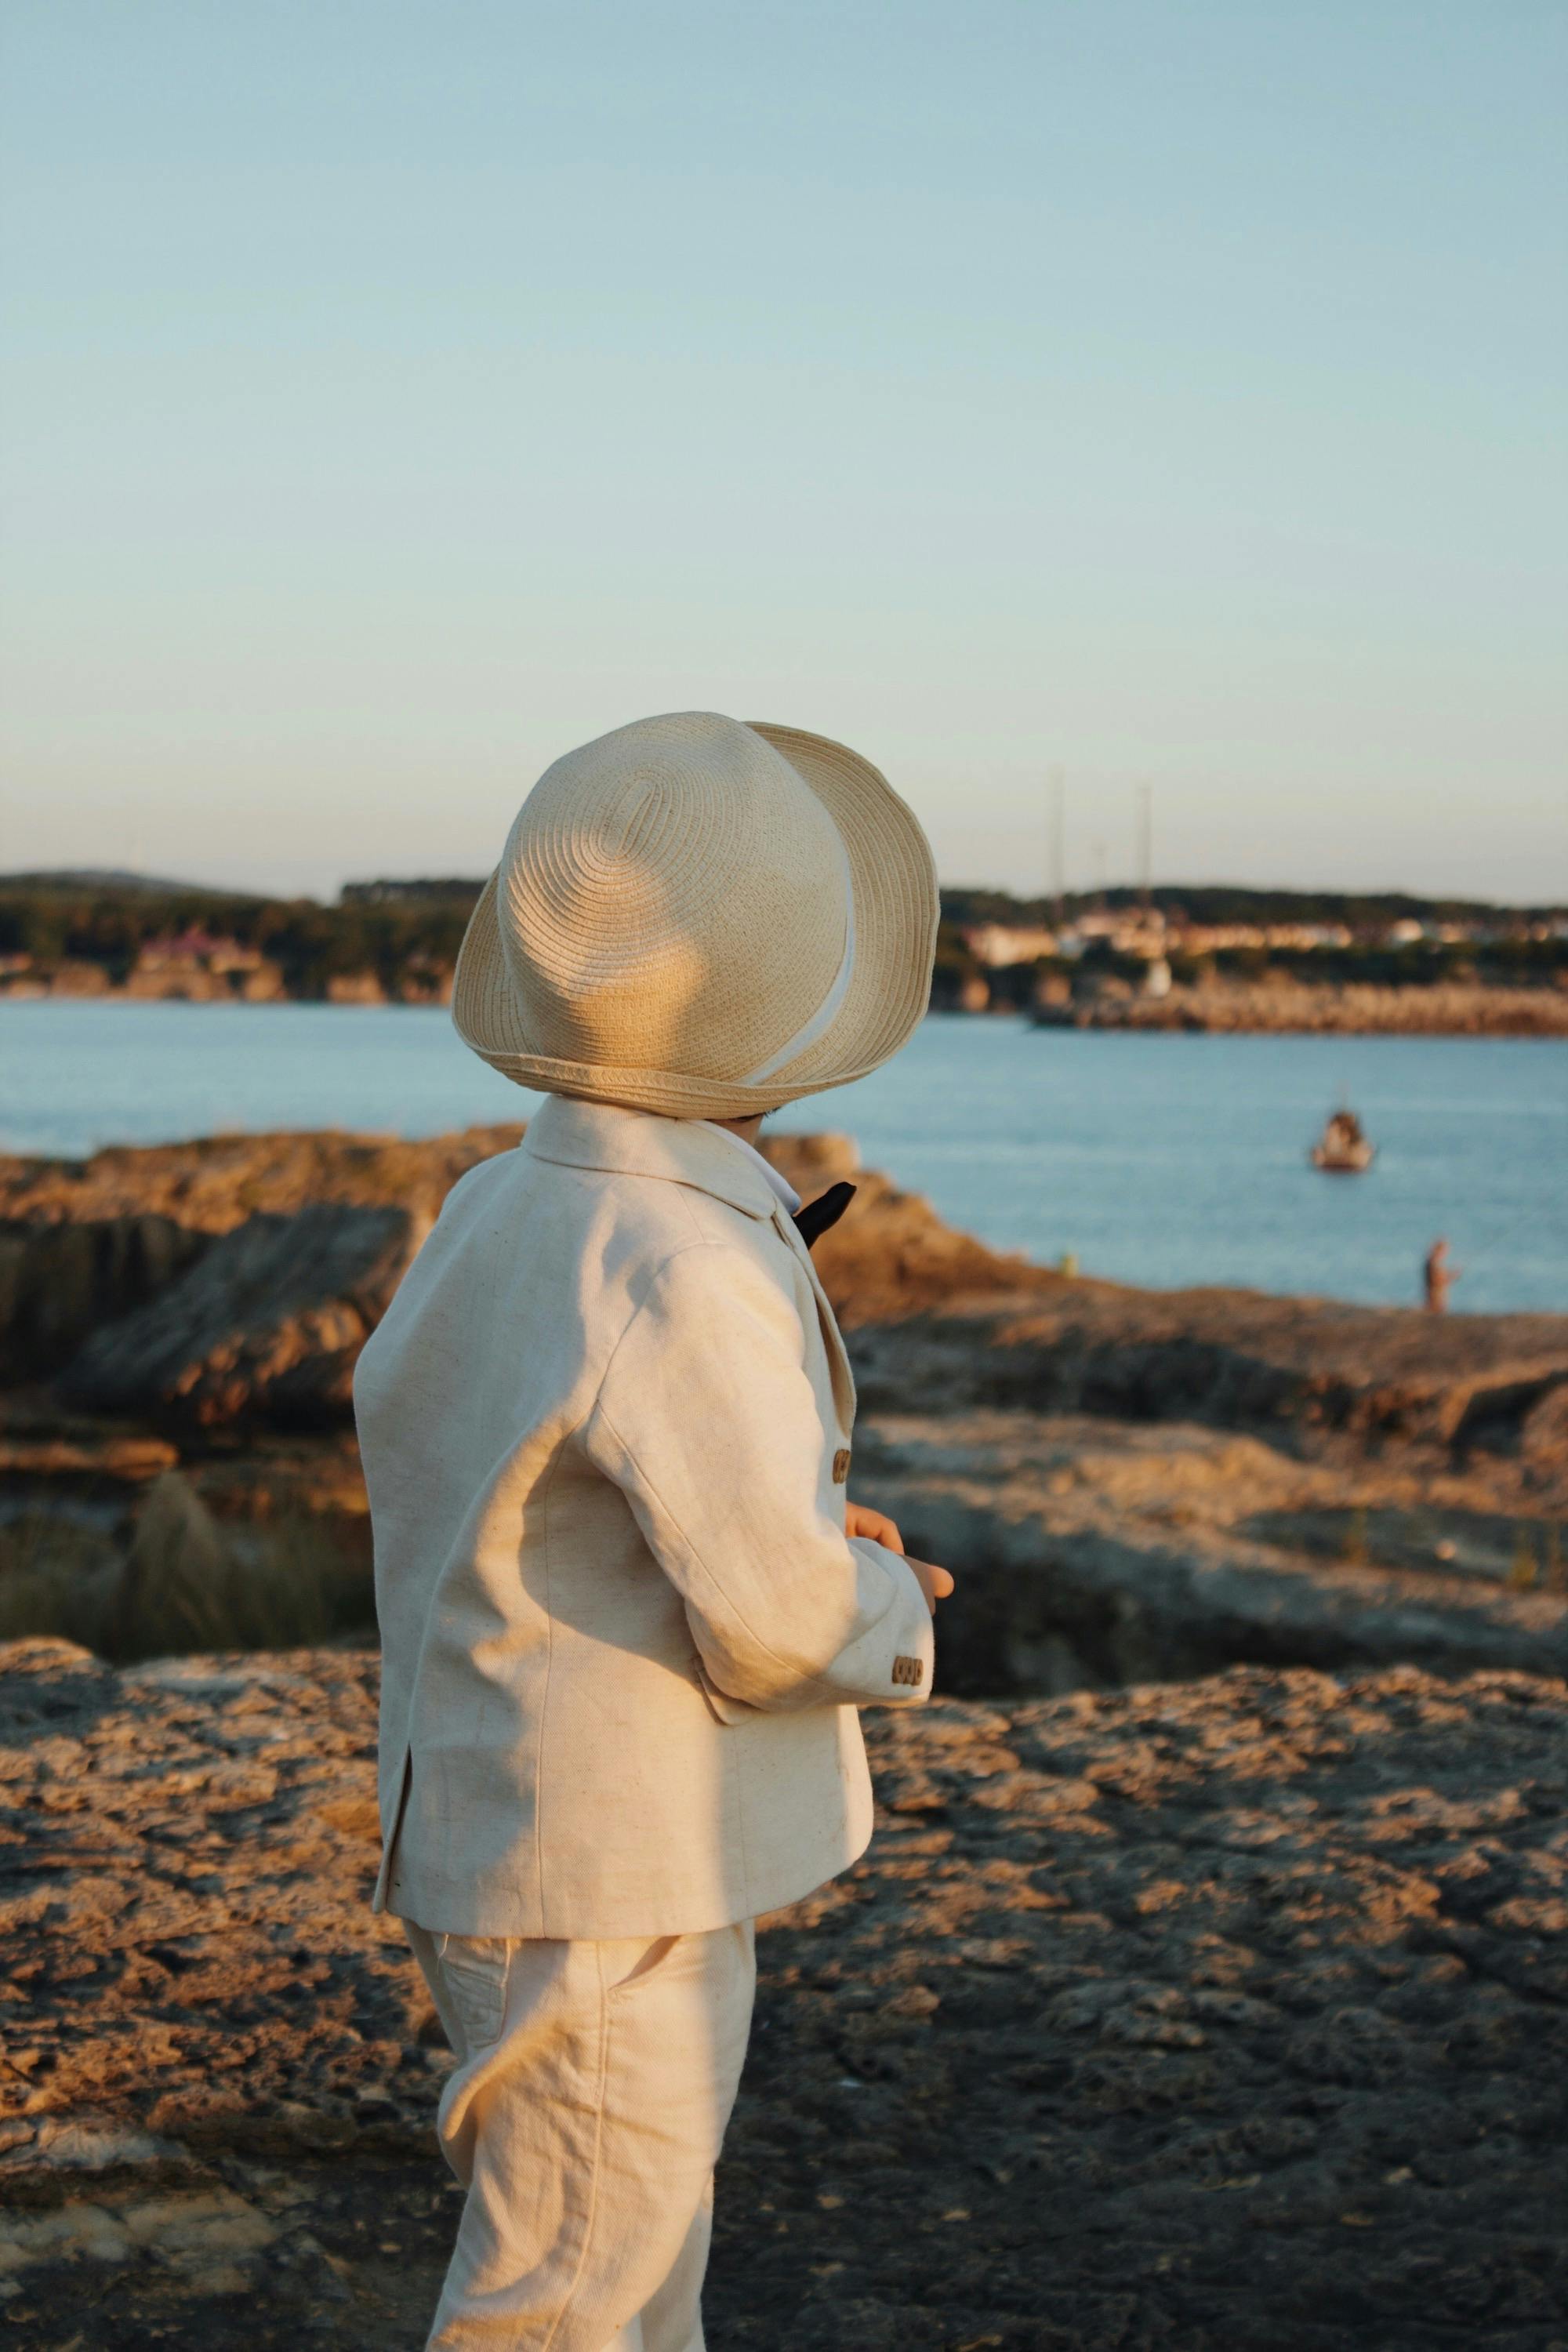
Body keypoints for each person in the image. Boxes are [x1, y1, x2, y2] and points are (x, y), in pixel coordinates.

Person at [354, 711, 955, 2352]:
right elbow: (770, 1617)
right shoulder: (679, 1254)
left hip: (498, 1820)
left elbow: (489, 1471)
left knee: (614, 2279)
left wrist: (785, 1519)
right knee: (572, 2304)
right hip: (612, 1867)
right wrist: (880, 1592)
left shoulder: (502, 1201)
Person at [1425, 1236, 1460, 1312]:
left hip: (1437, 1298)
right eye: (1445, 1250)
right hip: (1435, 1299)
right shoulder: (1433, 1263)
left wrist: (1452, 1275)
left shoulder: (1433, 1263)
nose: (1446, 1253)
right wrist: (1452, 1277)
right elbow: (1437, 1281)